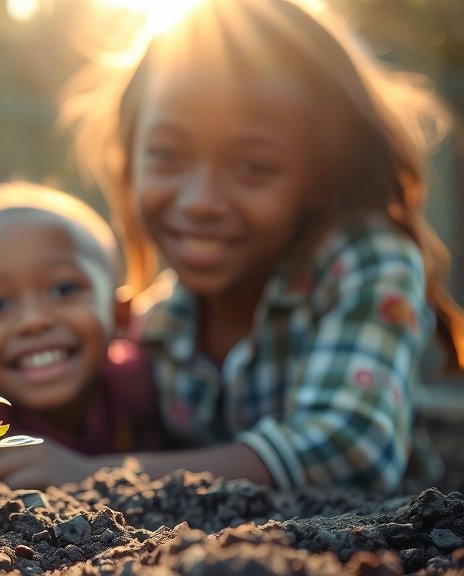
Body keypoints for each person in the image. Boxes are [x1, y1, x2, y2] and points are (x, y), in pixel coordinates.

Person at [59, 0, 464, 491]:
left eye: (253, 167)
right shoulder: (160, 322)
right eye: (166, 156)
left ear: (322, 175)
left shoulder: (366, 263)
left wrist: (101, 478)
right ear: (131, 155)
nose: (201, 201)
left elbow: (350, 444)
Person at [0, 181, 168, 488]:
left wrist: (87, 472)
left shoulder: (139, 386)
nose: (33, 321)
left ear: (120, 316)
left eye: (64, 289)